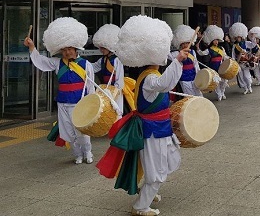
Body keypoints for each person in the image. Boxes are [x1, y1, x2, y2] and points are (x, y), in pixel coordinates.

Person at [96, 15, 186, 216]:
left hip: (159, 128)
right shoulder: (150, 78)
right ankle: (141, 206)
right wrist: (178, 61)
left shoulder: (148, 75)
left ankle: (149, 191)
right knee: (157, 171)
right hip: (152, 131)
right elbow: (165, 84)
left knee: (166, 161)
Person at [24, 17, 95, 164]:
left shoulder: (86, 64)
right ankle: (77, 154)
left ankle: (87, 152)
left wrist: (91, 106)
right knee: (68, 132)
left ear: (75, 48)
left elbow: (90, 87)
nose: (67, 52)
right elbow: (41, 62)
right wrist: (32, 47)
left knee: (81, 131)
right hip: (63, 103)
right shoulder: (57, 63)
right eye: (64, 49)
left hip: (80, 103)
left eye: (69, 49)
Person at [91, 23, 125, 113]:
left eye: (103, 48)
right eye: (100, 48)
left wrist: (114, 93)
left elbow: (120, 82)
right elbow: (92, 67)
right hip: (105, 92)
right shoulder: (102, 60)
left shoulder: (118, 60)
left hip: (115, 93)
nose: (101, 50)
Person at [167, 25, 201, 97]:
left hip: (194, 77)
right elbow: (167, 55)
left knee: (199, 95)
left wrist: (199, 74)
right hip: (184, 78)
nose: (186, 45)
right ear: (180, 44)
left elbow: (196, 64)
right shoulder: (176, 53)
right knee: (189, 96)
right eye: (184, 43)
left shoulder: (193, 52)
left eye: (187, 43)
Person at [197, 25, 228, 101]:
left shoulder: (222, 48)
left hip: (221, 67)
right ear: (211, 41)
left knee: (224, 81)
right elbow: (201, 53)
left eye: (217, 40)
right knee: (216, 82)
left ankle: (222, 92)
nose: (216, 42)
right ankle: (219, 95)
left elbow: (225, 57)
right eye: (214, 40)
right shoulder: (209, 49)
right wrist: (198, 48)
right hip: (213, 67)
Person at [230, 22, 256, 94]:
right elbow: (233, 55)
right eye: (237, 37)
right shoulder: (234, 46)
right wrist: (234, 62)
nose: (238, 38)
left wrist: (253, 37)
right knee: (241, 77)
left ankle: (249, 86)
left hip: (245, 62)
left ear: (241, 36)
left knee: (247, 76)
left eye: (239, 36)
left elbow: (253, 45)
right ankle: (245, 88)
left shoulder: (246, 43)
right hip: (239, 62)